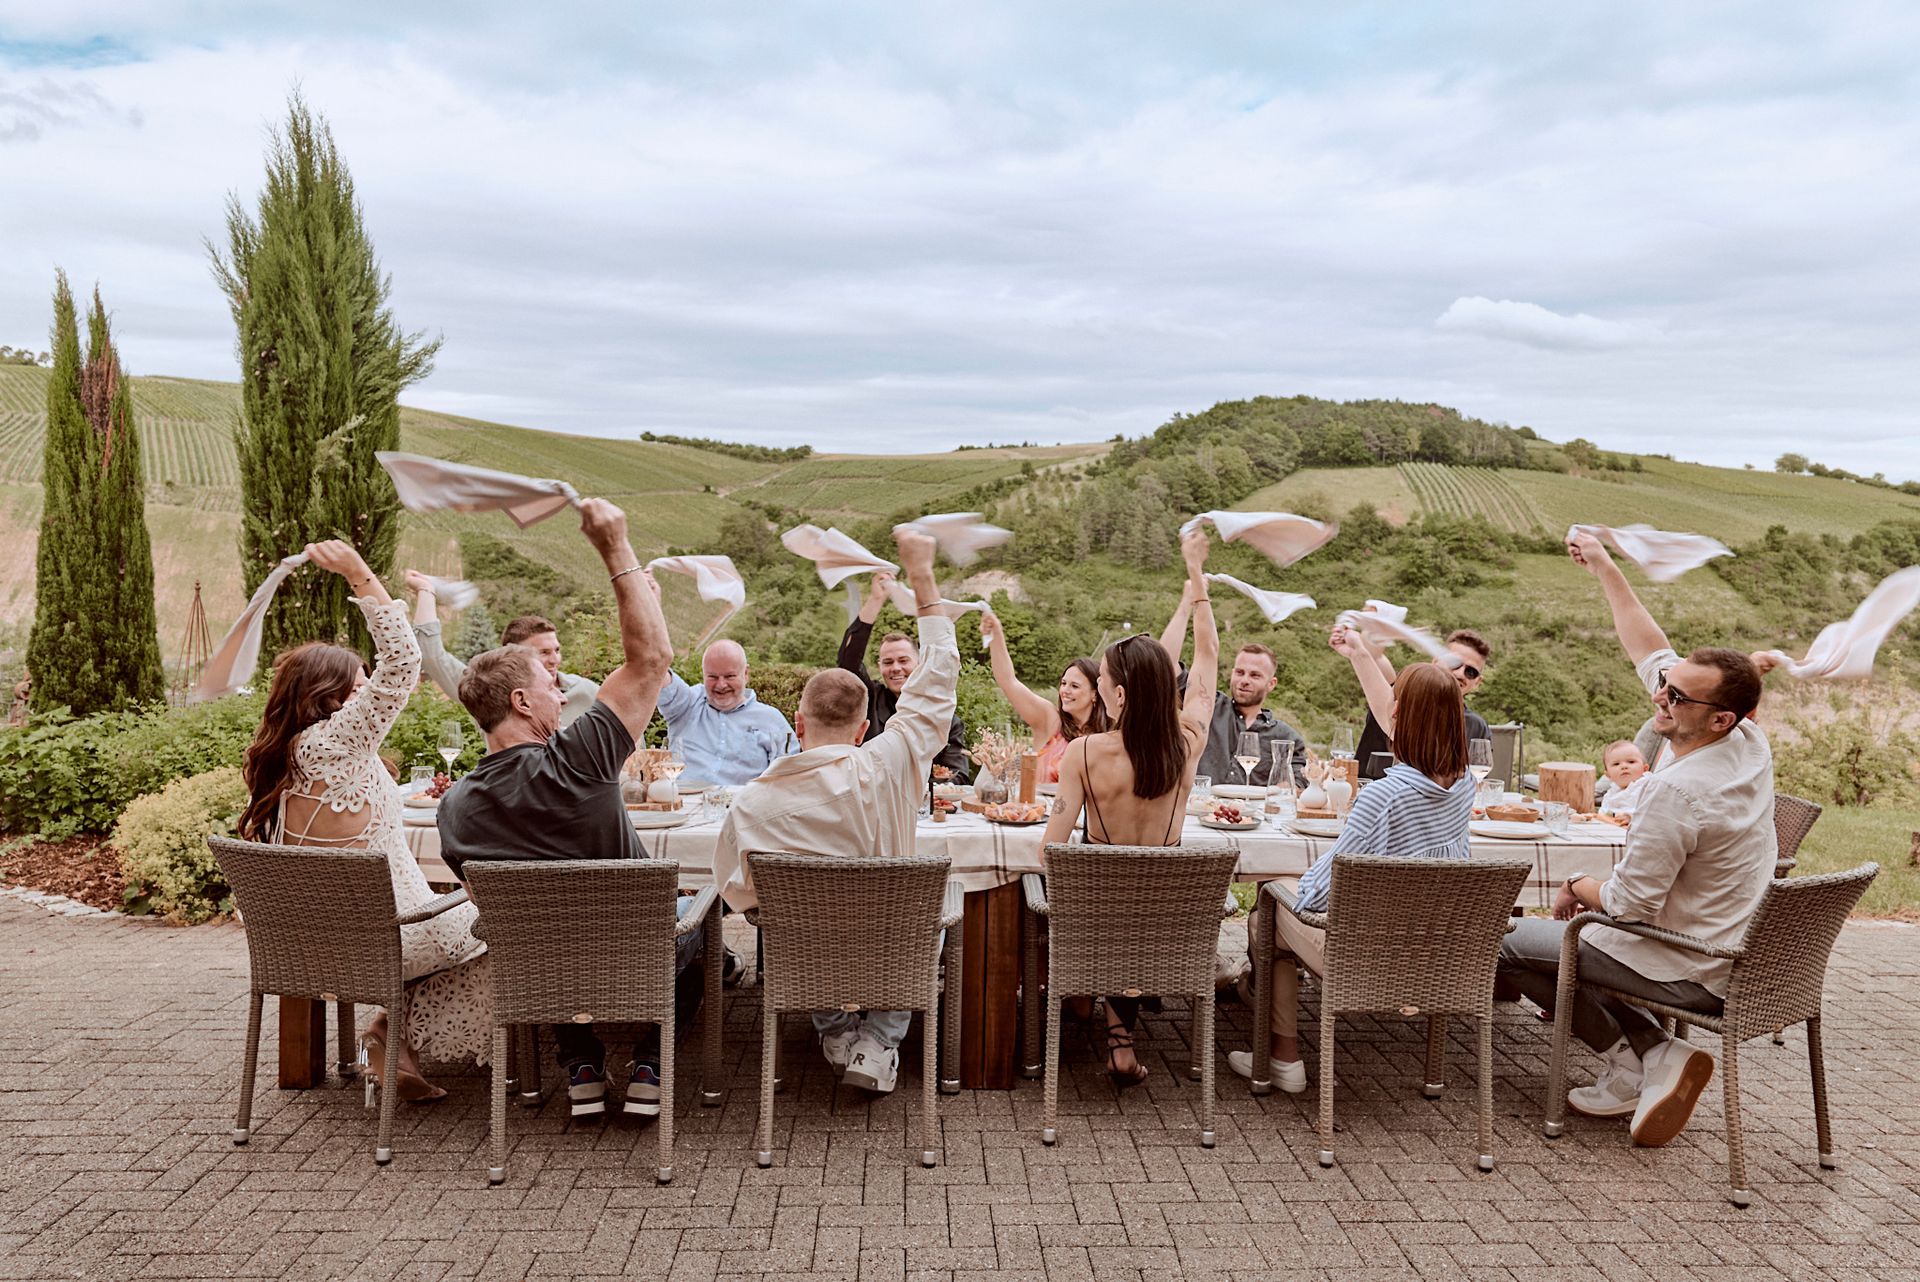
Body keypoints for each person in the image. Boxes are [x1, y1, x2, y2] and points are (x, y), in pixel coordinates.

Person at [1495, 529, 1775, 1148]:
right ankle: (1653, 1056)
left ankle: (1637, 1057)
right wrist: (1603, 565)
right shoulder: (1746, 740)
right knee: (1566, 935)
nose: (1660, 697)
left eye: (1676, 696)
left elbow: (1628, 905)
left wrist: (1576, 885)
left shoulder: (1677, 790)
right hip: (1730, 941)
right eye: (1665, 684)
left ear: (1720, 717)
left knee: (1504, 941)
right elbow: (1647, 644)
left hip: (1687, 961)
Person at [437, 499, 704, 1122]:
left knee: (542, 931)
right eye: (552, 687)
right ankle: (650, 1065)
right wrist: (614, 546)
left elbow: (490, 905)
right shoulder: (580, 760)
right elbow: (650, 661)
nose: (562, 695)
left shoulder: (453, 808)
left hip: (540, 970)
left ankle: (580, 1064)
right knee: (703, 923)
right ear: (522, 702)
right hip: (638, 956)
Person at [237, 541, 488, 1102]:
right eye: (357, 687)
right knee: (496, 922)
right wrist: (358, 573)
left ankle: (388, 1036)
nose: (366, 697)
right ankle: (386, 1029)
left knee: (456, 922)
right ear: (328, 696)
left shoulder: (286, 754)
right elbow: (403, 663)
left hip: (307, 940)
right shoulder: (338, 741)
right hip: (384, 937)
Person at [711, 527, 952, 1095]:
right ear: (865, 729)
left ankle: (837, 1031)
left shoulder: (751, 804)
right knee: (937, 903)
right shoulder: (892, 762)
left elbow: (737, 894)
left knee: (784, 923)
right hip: (892, 950)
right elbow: (938, 677)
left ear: (797, 724)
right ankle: (881, 1041)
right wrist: (922, 577)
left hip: (808, 959)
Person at [1231, 663, 1476, 1092]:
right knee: (1286, 890)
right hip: (1432, 950)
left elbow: (1319, 895)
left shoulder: (1383, 795)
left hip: (1366, 956)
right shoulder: (1465, 785)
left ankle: (1282, 1058)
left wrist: (1297, 882)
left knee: (1267, 908)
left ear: (1397, 714)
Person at [1041, 526, 1219, 1086]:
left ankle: (1078, 1003)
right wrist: (1197, 580)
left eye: (1103, 681)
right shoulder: (1187, 742)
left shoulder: (1083, 752)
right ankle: (1120, 1039)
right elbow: (1208, 658)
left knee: (1081, 898)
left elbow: (1050, 852)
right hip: (1166, 922)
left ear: (1117, 695)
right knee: (1135, 904)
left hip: (1093, 921)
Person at [406, 571, 601, 727]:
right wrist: (426, 590)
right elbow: (431, 655)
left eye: (556, 650)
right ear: (513, 655)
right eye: (543, 652)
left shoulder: (586, 691)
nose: (554, 660)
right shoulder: (487, 691)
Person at [837, 572, 972, 782]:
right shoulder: (870, 699)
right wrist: (876, 600)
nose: (896, 668)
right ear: (879, 666)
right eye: (888, 662)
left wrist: (926, 788)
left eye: (903, 660)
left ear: (919, 664)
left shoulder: (946, 718)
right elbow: (848, 661)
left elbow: (959, 775)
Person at [1340, 624, 1492, 778]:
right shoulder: (1403, 694)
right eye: (1454, 663)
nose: (1460, 673)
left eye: (1470, 672)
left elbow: (1474, 780)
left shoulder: (1476, 726)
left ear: (1478, 681)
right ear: (1436, 661)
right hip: (1367, 786)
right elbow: (1375, 659)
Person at [977, 610, 1107, 783]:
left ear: (1094, 694)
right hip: (1038, 801)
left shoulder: (1108, 735)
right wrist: (996, 634)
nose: (1065, 690)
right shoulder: (1050, 720)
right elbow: (1008, 681)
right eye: (1063, 683)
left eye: (1074, 686)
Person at [653, 633, 796, 786]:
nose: (721, 685)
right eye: (712, 677)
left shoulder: (771, 719)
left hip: (742, 800)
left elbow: (789, 774)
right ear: (703, 674)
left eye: (729, 676)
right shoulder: (686, 704)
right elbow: (655, 668)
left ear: (746, 674)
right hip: (683, 799)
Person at [1596, 740, 1652, 819]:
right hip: (1614, 824)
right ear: (1608, 775)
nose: (1624, 766)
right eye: (1616, 764)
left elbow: (1652, 809)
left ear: (1645, 768)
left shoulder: (1647, 785)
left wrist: (1630, 816)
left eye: (1631, 762)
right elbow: (1604, 813)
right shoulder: (1610, 794)